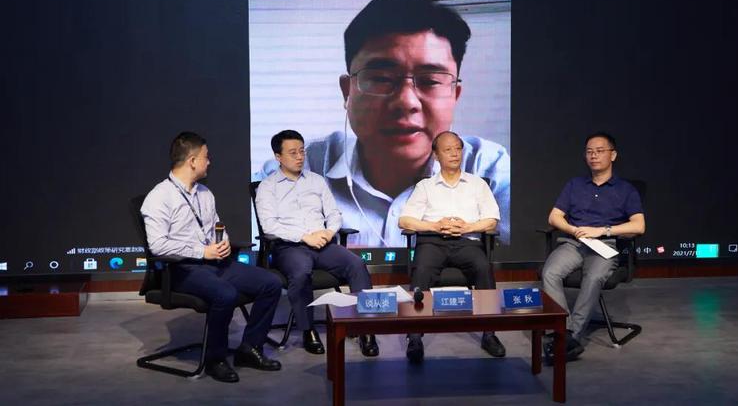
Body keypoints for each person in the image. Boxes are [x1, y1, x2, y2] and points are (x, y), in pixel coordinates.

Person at [254, 0, 510, 248]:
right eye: (381, 78)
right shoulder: (297, 166)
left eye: (431, 81)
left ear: (454, 95)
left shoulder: (488, 169)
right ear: (347, 92)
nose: (406, 102)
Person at [141, 132, 283, 383]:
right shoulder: (159, 197)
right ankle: (215, 359)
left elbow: (216, 226)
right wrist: (201, 252)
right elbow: (158, 246)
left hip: (215, 262)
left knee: (270, 283)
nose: (210, 161)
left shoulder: (205, 193)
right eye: (206, 157)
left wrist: (223, 241)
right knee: (225, 294)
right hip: (182, 269)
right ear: (192, 161)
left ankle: (250, 348)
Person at [255, 129, 379, 357]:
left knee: (356, 264)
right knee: (301, 272)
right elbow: (270, 226)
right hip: (290, 247)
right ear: (278, 157)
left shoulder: (316, 181)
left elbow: (334, 214)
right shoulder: (267, 187)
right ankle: (308, 330)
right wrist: (304, 236)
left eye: (302, 151)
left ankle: (366, 329)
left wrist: (329, 231)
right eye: (293, 153)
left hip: (323, 243)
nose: (300, 157)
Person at [398, 131, 506, 362]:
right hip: (432, 242)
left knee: (483, 267)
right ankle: (414, 337)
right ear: (436, 155)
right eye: (448, 150)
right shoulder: (426, 186)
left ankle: (489, 333)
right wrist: (435, 226)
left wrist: (468, 227)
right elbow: (405, 221)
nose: (454, 153)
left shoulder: (477, 184)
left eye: (458, 148)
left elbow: (492, 220)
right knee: (421, 270)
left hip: (467, 242)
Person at [541, 132, 646, 362]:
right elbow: (554, 217)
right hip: (574, 242)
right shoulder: (575, 184)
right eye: (589, 152)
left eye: (599, 151)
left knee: (594, 276)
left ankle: (571, 335)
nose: (594, 156)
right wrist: (573, 229)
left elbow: (639, 226)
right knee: (550, 272)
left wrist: (603, 231)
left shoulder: (626, 189)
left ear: (613, 155)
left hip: (604, 245)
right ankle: (563, 331)